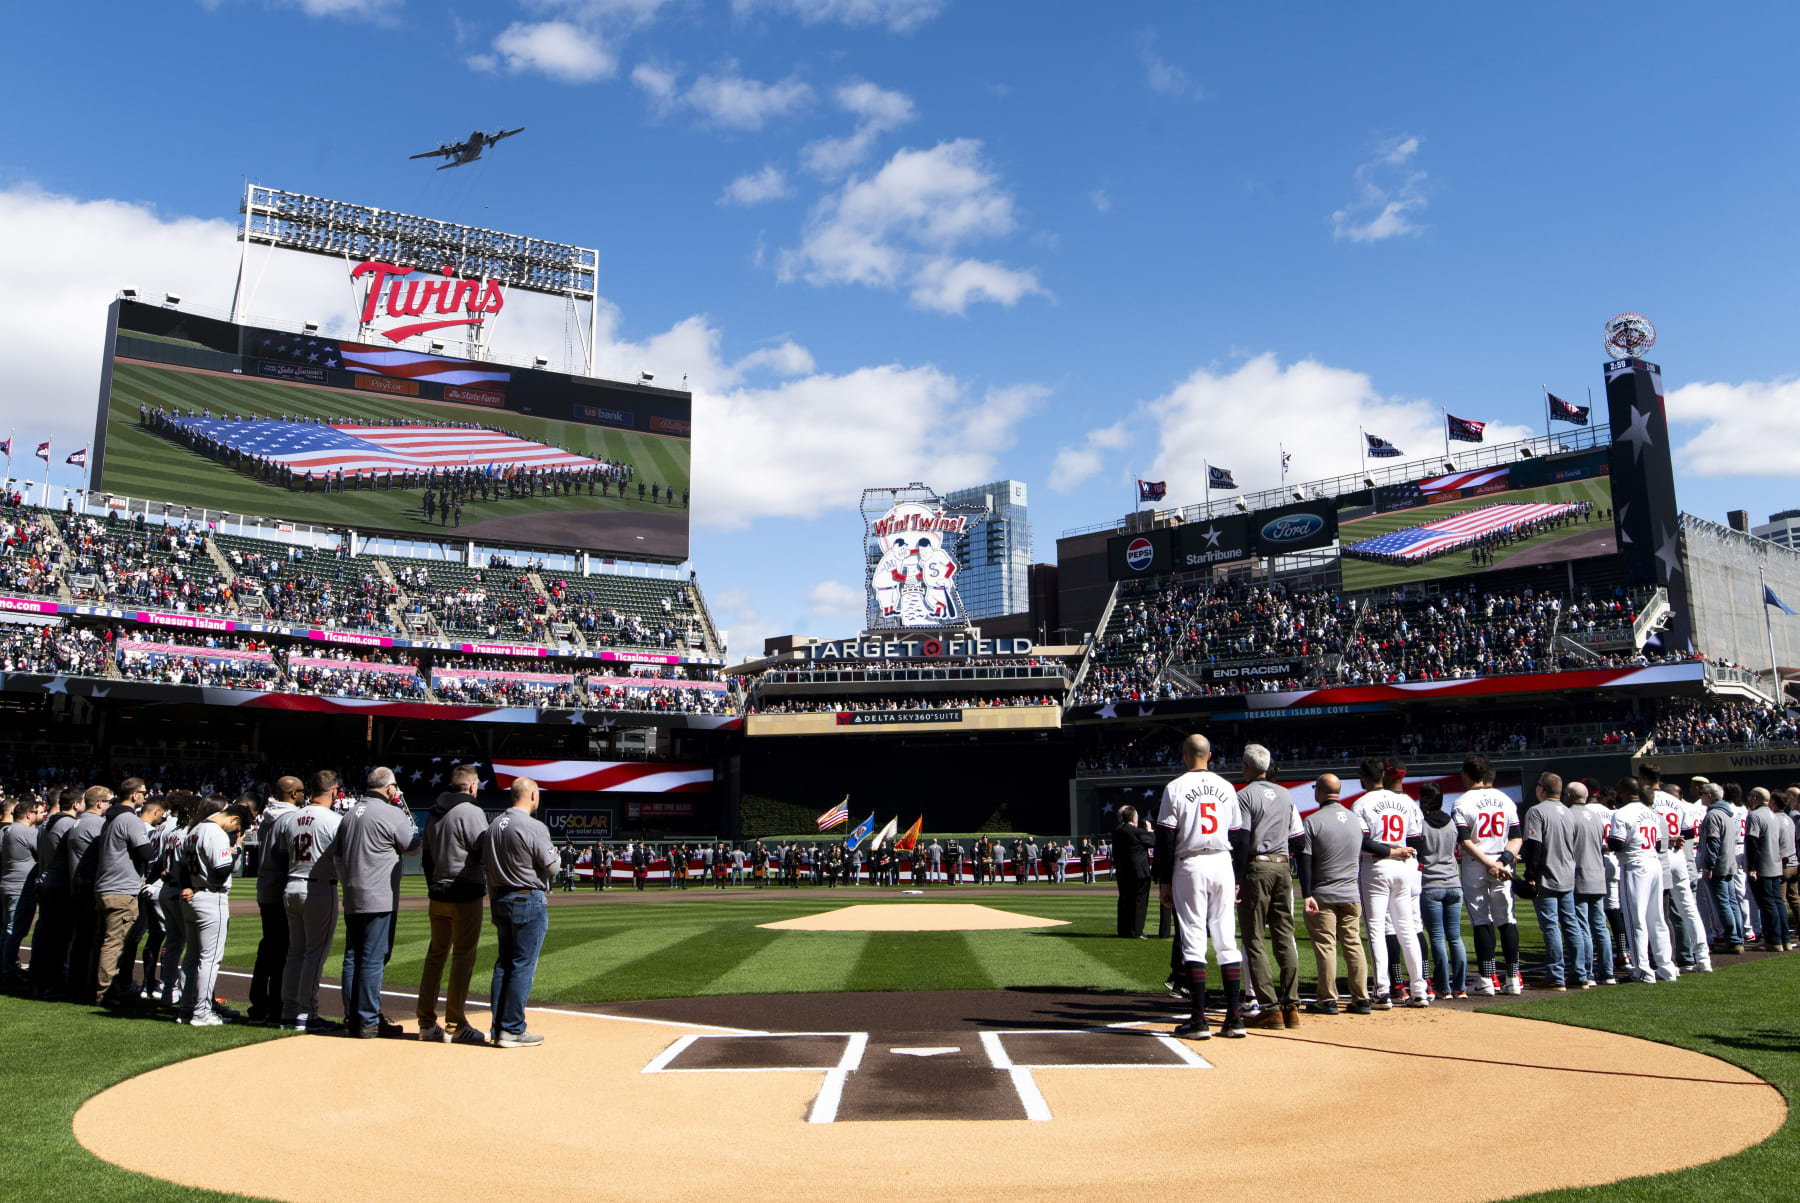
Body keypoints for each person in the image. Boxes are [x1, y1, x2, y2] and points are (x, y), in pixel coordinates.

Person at [1154, 734, 1249, 1041]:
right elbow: (1239, 837)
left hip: (1190, 864)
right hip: (1222, 862)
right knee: (1226, 939)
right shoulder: (1226, 787)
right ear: (1210, 754)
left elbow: (1166, 839)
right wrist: (1237, 877)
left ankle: (1198, 1020)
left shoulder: (1175, 786)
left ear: (1185, 755)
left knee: (1194, 939)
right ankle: (1234, 1018)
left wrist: (1164, 881)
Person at [334, 768, 420, 1039]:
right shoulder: (392, 813)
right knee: (372, 959)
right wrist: (407, 817)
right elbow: (413, 845)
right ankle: (369, 1020)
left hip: (352, 894)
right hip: (378, 896)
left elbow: (336, 854)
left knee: (352, 958)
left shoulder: (349, 814)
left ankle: (353, 1017)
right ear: (389, 788)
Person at [1300, 774, 1385, 1016]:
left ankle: (1327, 999)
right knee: (1353, 944)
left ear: (1319, 793)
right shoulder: (1355, 820)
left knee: (1326, 946)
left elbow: (1305, 862)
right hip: (1351, 893)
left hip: (1323, 893)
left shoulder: (1312, 821)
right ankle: (1362, 998)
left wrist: (1307, 894)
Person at [417, 764, 489, 1046]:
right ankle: (456, 1024)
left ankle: (425, 1022)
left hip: (438, 893)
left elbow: (425, 858)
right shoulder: (471, 811)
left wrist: (434, 886)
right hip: (464, 893)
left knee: (436, 955)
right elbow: (482, 851)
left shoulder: (434, 812)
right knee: (462, 957)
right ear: (472, 786)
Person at [1235, 744, 1303, 1028]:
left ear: (1246, 767)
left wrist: (1236, 878)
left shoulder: (1245, 795)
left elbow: (1242, 840)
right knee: (1284, 935)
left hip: (1257, 865)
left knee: (1254, 939)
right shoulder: (1286, 794)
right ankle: (1292, 1006)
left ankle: (1270, 1007)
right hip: (1283, 865)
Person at [484, 778, 556, 1048]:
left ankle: (498, 1028)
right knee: (522, 965)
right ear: (533, 796)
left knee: (504, 964)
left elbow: (487, 867)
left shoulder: (493, 825)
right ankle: (512, 1028)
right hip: (527, 897)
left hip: (500, 897)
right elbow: (552, 866)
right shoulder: (533, 826)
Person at [1351, 758, 1427, 1008]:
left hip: (1377, 866)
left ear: (1363, 777)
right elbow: (1416, 841)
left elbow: (1363, 842)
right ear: (1383, 775)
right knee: (1406, 928)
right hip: (1404, 867)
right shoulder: (1405, 801)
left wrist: (1390, 852)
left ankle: (1382, 991)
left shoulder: (1360, 803)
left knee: (1376, 930)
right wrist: (1399, 852)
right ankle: (1419, 990)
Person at [175, 800, 255, 1025]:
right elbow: (221, 871)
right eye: (236, 829)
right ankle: (201, 1012)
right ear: (233, 819)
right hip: (211, 897)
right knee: (209, 959)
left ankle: (186, 1008)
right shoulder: (215, 832)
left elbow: (180, 867)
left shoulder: (194, 829)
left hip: (193, 897)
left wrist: (187, 886)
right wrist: (235, 851)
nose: (234, 833)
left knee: (191, 956)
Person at [278, 771, 345, 1033]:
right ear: (335, 790)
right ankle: (308, 1013)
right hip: (318, 887)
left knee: (295, 952)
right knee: (314, 954)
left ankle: (289, 1012)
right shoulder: (334, 820)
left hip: (291, 883)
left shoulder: (291, 818)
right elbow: (342, 860)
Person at [1452, 755, 1523, 996]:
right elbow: (1516, 838)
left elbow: (1464, 841)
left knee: (1482, 920)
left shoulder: (1461, 802)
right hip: (1503, 863)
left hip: (1476, 863)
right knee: (1507, 920)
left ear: (1467, 774)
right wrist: (1502, 862)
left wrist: (1489, 863)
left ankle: (1486, 978)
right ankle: (1513, 978)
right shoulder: (1505, 799)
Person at [92, 782, 162, 1008]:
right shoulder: (130, 820)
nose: (146, 796)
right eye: (143, 792)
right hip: (121, 889)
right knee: (115, 944)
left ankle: (97, 987)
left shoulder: (110, 819)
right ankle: (106, 992)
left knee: (103, 941)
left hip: (106, 886)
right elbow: (145, 851)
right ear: (134, 795)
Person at [1643, 764, 1710, 973]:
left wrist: (1666, 838)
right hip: (1678, 856)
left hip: (1658, 857)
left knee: (1656, 912)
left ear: (1643, 778)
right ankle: (1703, 958)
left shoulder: (1646, 802)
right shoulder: (1675, 800)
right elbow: (1689, 832)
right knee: (1688, 909)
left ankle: (1664, 962)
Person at [247, 777, 303, 1024]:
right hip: (279, 888)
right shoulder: (290, 818)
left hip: (265, 887)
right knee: (282, 951)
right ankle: (276, 1007)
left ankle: (259, 1005)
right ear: (292, 794)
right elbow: (285, 856)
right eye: (301, 791)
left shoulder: (269, 816)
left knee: (268, 948)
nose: (304, 794)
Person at [1609, 778, 1677, 981]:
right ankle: (1666, 967)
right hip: (1654, 862)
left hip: (1636, 865)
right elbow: (1657, 844)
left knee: (1634, 919)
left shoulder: (1621, 813)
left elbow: (1618, 844)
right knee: (1657, 918)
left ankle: (1642, 971)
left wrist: (1607, 843)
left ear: (1623, 791)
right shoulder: (1651, 812)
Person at [1521, 772, 1583, 991]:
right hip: (1568, 874)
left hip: (1547, 876)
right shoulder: (1569, 812)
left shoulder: (1536, 811)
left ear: (1541, 789)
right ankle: (1580, 974)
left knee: (1551, 926)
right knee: (1571, 925)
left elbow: (1534, 846)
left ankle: (1556, 976)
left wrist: (1530, 875)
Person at [30, 787, 85, 999]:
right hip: (58, 886)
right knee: (58, 940)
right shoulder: (68, 824)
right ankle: (52, 984)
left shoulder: (47, 821)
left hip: (45, 882)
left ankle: (39, 982)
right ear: (75, 804)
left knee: (45, 937)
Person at [1416, 783, 1466, 998]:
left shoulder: (1421, 824)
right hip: (1454, 883)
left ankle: (1444, 987)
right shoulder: (1452, 823)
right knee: (1455, 937)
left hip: (1431, 883)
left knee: (1437, 937)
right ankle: (1460, 987)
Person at [64, 785, 113, 1004]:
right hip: (89, 887)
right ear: (100, 803)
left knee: (81, 940)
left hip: (78, 885)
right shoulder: (96, 824)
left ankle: (76, 983)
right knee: (91, 940)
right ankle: (87, 986)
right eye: (109, 802)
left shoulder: (79, 821)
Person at [1564, 781, 1615, 987]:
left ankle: (1587, 972)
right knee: (1600, 927)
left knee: (1582, 925)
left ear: (1569, 796)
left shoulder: (1568, 816)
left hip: (1579, 874)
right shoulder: (1596, 816)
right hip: (1598, 874)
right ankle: (1608, 972)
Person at [1694, 782, 1744, 955]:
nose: (1699, 796)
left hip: (1719, 867)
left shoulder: (1714, 815)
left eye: (1702, 794)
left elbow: (1712, 843)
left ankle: (1733, 941)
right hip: (1729, 864)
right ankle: (1738, 939)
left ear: (1709, 796)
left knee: (1724, 904)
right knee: (1732, 903)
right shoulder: (1726, 813)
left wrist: (1708, 866)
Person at [2, 797, 45, 985]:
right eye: (37, 812)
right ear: (29, 814)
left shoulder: (8, 830)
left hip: (8, 884)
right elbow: (44, 852)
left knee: (7, 930)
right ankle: (8, 970)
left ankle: (6, 967)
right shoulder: (26, 832)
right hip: (19, 887)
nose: (39, 815)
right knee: (14, 931)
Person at [1745, 788, 1789, 953]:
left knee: (1767, 903)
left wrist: (1751, 867)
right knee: (1778, 902)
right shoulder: (1773, 815)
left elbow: (1752, 842)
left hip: (1762, 866)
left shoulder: (1755, 815)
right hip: (1775, 864)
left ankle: (1773, 940)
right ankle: (1785, 939)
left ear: (1755, 798)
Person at [1112, 806, 1153, 938]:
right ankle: (1136, 931)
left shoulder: (1117, 831)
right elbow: (1152, 842)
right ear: (1133, 818)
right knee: (1139, 901)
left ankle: (1123, 930)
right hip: (1139, 871)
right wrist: (1150, 830)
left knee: (1124, 900)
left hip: (1123, 870)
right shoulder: (1137, 832)